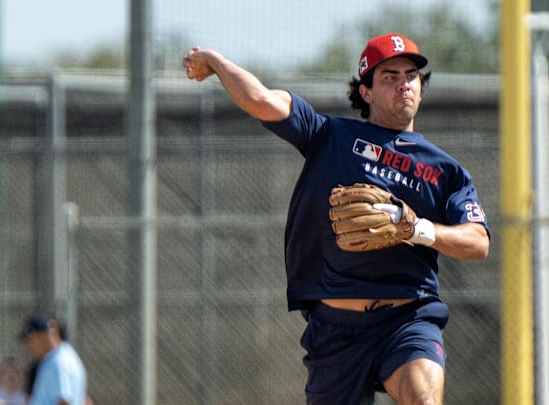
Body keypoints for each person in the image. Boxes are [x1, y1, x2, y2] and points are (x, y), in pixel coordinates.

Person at [183, 32, 490, 405]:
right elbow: (260, 99)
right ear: (367, 92)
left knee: (424, 400)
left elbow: (478, 242)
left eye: (410, 75)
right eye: (389, 77)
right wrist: (215, 61)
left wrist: (417, 229)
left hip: (407, 318)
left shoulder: (445, 170)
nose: (403, 84)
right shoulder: (329, 135)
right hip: (337, 328)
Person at [19, 313, 87, 405]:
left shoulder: (57, 362)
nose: (29, 345)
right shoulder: (66, 355)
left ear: (47, 335)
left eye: (32, 339)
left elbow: (64, 401)